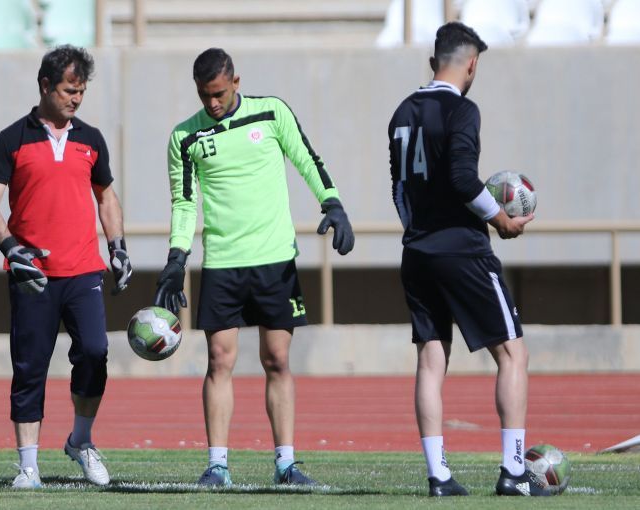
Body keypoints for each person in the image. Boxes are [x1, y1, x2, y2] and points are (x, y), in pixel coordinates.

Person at [154, 48, 354, 487]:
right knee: (218, 361)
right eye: (204, 95)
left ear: (236, 82)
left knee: (277, 359)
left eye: (219, 93)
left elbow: (307, 158)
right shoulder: (185, 137)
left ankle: (286, 464)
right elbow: (184, 203)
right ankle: (217, 466)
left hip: (275, 259)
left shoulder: (272, 112)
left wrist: (333, 203)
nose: (212, 103)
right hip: (223, 263)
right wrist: (176, 258)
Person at [387, 22, 546, 497]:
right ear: (471, 64)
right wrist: (500, 219)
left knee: (431, 359)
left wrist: (416, 231)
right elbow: (461, 177)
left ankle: (438, 476)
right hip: (461, 250)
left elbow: (398, 188)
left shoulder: (401, 111)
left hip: (416, 251)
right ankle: (513, 472)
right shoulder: (462, 109)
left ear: (432, 61)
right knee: (512, 353)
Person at [0, 45, 131, 489]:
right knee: (30, 367)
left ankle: (81, 441)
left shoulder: (91, 139)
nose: (76, 98)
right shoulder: (12, 138)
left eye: (81, 91)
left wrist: (118, 247)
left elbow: (106, 196)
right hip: (34, 277)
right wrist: (12, 249)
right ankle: (28, 467)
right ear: (45, 86)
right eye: (68, 90)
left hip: (83, 271)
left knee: (95, 352)